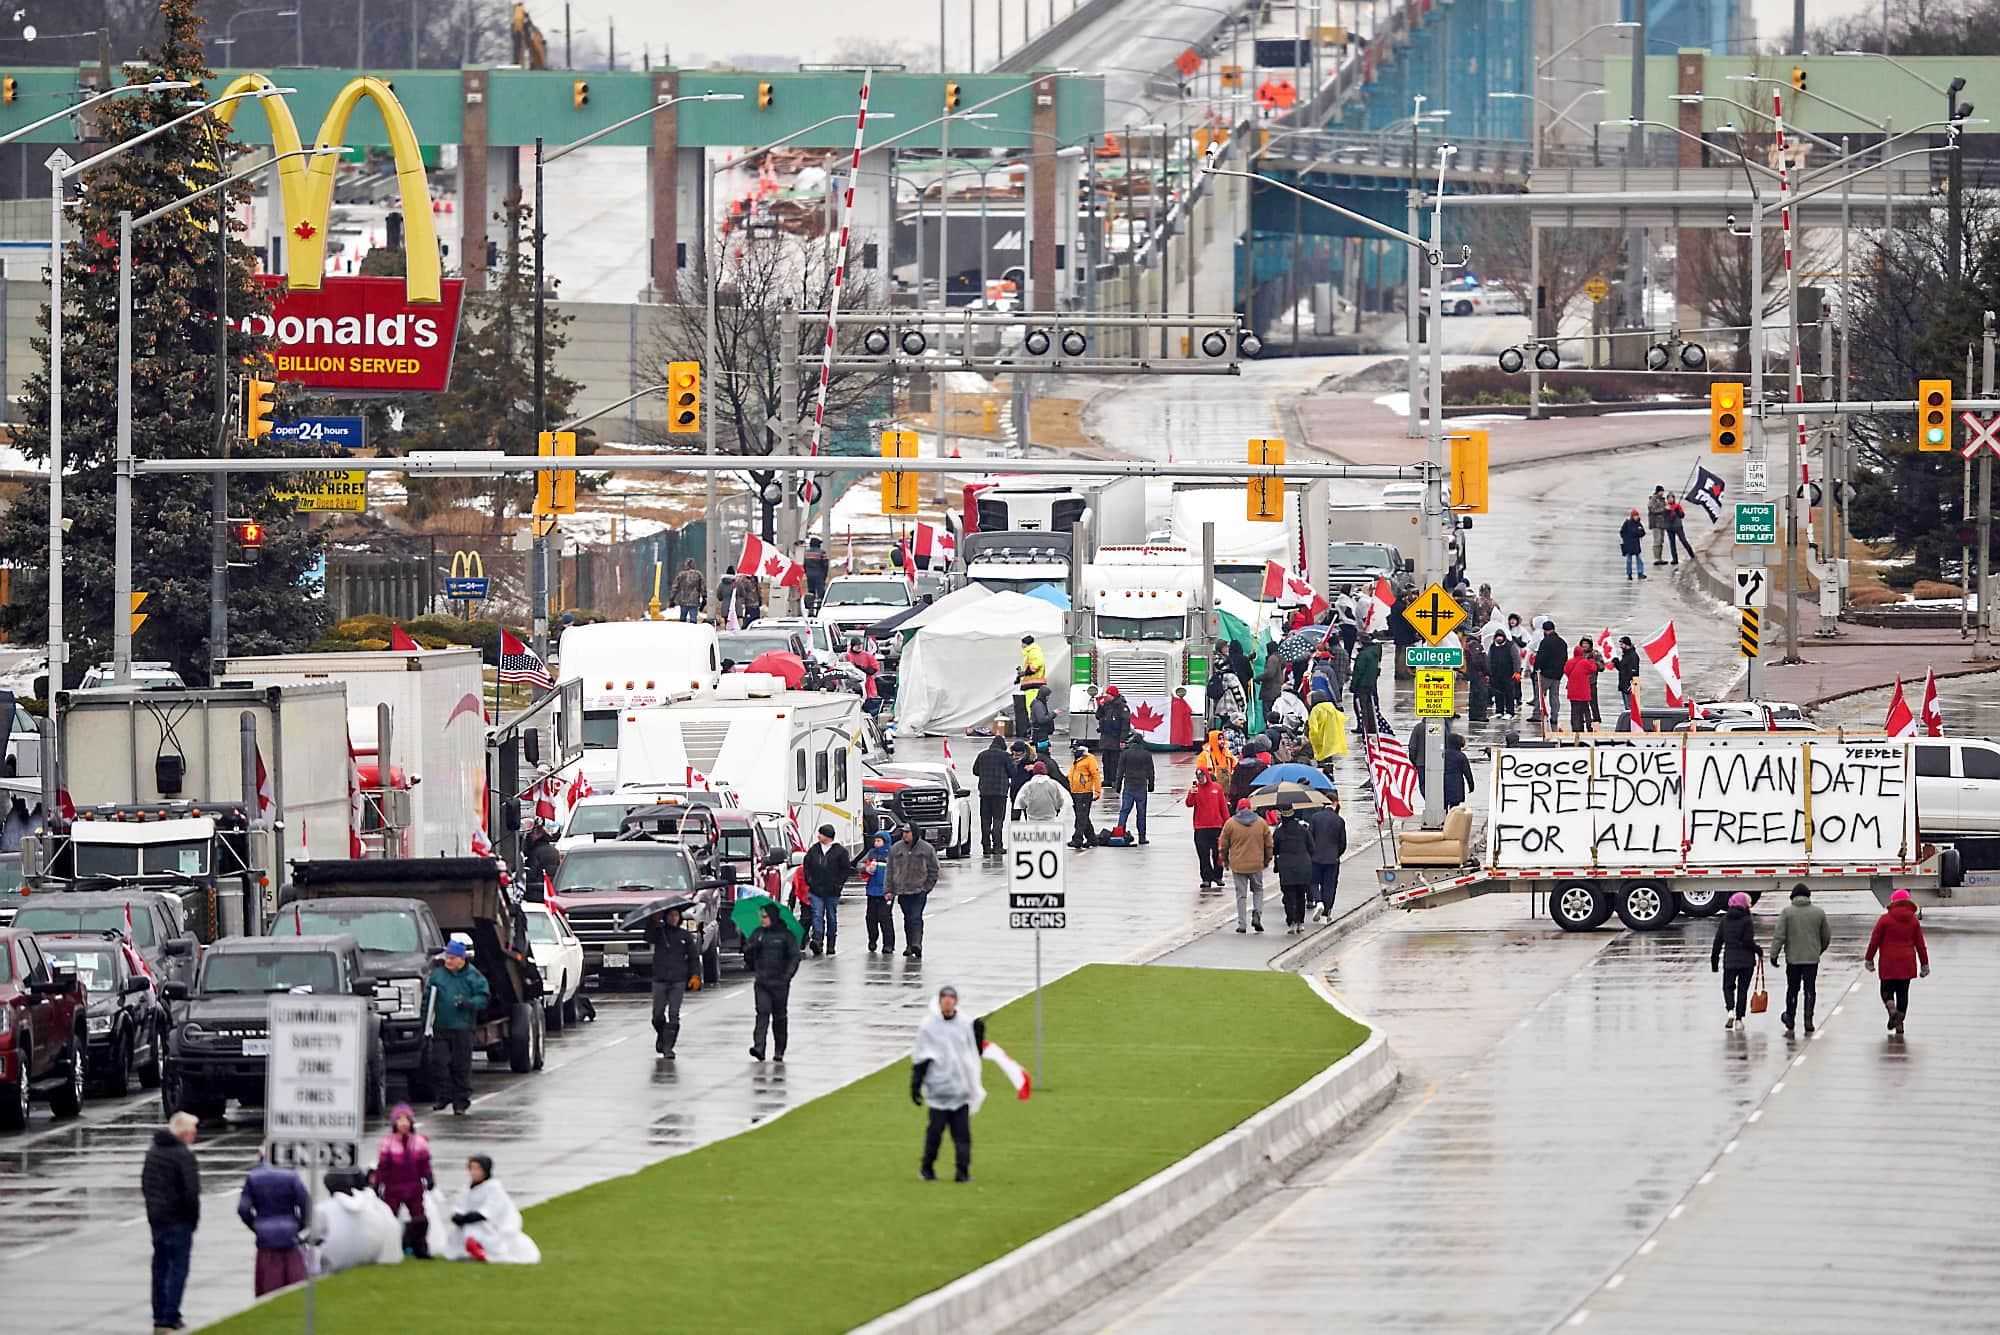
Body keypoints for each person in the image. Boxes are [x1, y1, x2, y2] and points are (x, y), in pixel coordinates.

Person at [910, 985, 982, 1182]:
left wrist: (978, 1035)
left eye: (951, 999)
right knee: (935, 1134)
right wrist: (916, 1083)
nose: (948, 1003)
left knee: (962, 1136)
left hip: (960, 1090)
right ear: (940, 1001)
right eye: (945, 999)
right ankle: (927, 1167)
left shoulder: (965, 1023)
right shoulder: (929, 1026)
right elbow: (921, 1056)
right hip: (939, 1090)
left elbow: (972, 1054)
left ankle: (962, 1172)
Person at [144, 1111, 201, 1334]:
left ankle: (159, 1315)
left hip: (157, 1219)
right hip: (179, 1220)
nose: (195, 1133)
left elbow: (146, 1185)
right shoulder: (183, 1155)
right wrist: (193, 1219)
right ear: (184, 1132)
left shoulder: (153, 1152)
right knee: (178, 1268)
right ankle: (170, 1316)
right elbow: (191, 1192)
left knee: (159, 1268)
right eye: (194, 1129)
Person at [427, 940, 490, 1115]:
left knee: (461, 1066)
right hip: (441, 1027)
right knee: (439, 1062)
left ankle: (460, 1102)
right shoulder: (438, 975)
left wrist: (468, 1003)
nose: (448, 961)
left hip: (463, 1028)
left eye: (452, 958)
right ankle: (443, 1095)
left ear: (461, 959)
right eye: (447, 957)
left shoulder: (473, 976)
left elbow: (483, 997)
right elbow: (428, 999)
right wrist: (425, 1023)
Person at [238, 1153, 311, 1296]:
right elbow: (306, 1206)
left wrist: (257, 1226)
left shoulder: (253, 1177)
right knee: (293, 1279)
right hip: (289, 1235)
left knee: (269, 1283)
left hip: (265, 1238)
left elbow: (243, 1209)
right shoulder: (291, 1176)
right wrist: (298, 1226)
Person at [444, 1155, 540, 1263]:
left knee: (477, 1230)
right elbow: (459, 1205)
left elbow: (489, 1211)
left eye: (477, 1169)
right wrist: (457, 1216)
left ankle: (482, 1250)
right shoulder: (467, 1188)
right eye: (471, 1168)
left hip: (492, 1226)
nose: (474, 1172)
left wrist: (469, 1217)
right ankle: (471, 1249)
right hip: (470, 1222)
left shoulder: (494, 1188)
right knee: (459, 1235)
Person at [371, 1104, 435, 1258]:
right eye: (400, 1119)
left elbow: (424, 1163)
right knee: (390, 1218)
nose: (403, 1123)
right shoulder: (387, 1143)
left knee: (419, 1218)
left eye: (406, 1119)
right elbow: (383, 1166)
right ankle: (388, 1248)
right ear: (394, 1123)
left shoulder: (419, 1142)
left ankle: (420, 1248)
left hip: (414, 1186)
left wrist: (429, 1177)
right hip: (393, 1187)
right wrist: (377, 1182)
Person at [1768, 883, 1832, 1037]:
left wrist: (1774, 954)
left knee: (1792, 989)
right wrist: (1818, 951)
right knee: (1810, 989)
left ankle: (1790, 1017)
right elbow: (1826, 936)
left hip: (1793, 959)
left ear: (1793, 897)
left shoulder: (1787, 913)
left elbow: (1779, 936)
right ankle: (1808, 1020)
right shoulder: (1819, 913)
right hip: (1811, 959)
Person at [1865, 887, 1930, 1037]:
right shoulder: (1913, 921)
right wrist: (1924, 964)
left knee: (1886, 991)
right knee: (1903, 993)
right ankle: (1900, 1024)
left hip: (1888, 962)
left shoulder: (1885, 920)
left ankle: (1892, 1010)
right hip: (1907, 963)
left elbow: (1874, 941)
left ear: (1893, 902)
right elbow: (1920, 944)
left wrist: (1869, 959)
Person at [312, 1168, 403, 1273]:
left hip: (347, 1261)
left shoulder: (324, 1208)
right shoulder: (374, 1204)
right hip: (377, 1255)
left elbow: (314, 1235)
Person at [745, 903, 801, 1060]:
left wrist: (788, 975)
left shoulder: (786, 936)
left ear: (773, 917)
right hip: (762, 981)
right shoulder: (758, 934)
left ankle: (779, 1050)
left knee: (779, 1016)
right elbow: (747, 955)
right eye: (761, 917)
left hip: (780, 982)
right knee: (762, 1013)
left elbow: (794, 956)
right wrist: (752, 949)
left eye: (765, 917)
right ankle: (759, 1047)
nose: (762, 920)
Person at [644, 904, 700, 1058]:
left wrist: (695, 975)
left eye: (676, 915)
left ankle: (668, 1047)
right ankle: (662, 1036)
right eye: (670, 916)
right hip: (660, 979)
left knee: (674, 1014)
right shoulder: (659, 932)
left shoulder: (685, 936)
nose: (673, 918)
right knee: (657, 1015)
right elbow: (647, 937)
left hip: (678, 980)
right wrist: (653, 922)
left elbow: (694, 958)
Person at [1710, 890, 1764, 1030]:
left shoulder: (1725, 920)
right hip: (1746, 962)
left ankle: (1730, 1011)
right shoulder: (1747, 921)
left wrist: (1714, 963)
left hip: (1730, 961)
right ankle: (1739, 1019)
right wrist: (1758, 950)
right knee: (1742, 990)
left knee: (1728, 987)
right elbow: (1747, 942)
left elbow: (1717, 942)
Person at [1219, 797, 1272, 933]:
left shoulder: (1230, 824)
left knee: (1241, 895)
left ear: (1238, 808)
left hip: (1238, 864)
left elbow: (1223, 845)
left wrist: (1225, 860)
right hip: (1256, 863)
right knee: (1258, 890)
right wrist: (1266, 860)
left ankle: (1242, 924)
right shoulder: (1261, 823)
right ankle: (1257, 913)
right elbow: (1268, 844)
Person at [889, 825, 941, 959]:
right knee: (908, 918)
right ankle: (909, 945)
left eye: (908, 832)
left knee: (915, 917)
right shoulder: (896, 848)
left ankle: (917, 944)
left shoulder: (927, 849)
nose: (905, 835)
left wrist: (927, 887)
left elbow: (934, 869)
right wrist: (889, 889)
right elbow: (890, 870)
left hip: (919, 890)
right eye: (904, 832)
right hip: (902, 891)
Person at [803, 823, 852, 958]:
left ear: (828, 836)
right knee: (817, 915)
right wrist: (810, 881)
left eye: (821, 834)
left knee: (831, 916)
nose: (818, 836)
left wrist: (838, 884)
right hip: (816, 891)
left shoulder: (840, 851)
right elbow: (806, 866)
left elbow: (845, 870)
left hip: (832, 891)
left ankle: (831, 944)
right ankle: (817, 941)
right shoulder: (814, 850)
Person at [1272, 806, 1315, 935]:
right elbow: (1312, 848)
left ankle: (1291, 921)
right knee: (1301, 895)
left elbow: (1275, 850)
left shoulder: (1279, 832)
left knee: (1289, 895)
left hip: (1286, 868)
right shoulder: (1303, 830)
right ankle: (1300, 922)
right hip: (1303, 866)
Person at [1186, 766, 1228, 889]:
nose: (1201, 779)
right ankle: (1206, 878)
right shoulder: (1195, 789)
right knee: (1203, 855)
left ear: (1206, 776)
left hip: (1216, 826)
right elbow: (1189, 804)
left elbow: (1223, 807)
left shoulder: (1217, 788)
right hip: (1200, 827)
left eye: (1202, 777)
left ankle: (1218, 876)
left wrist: (1228, 822)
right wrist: (1192, 794)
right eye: (1198, 778)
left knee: (1218, 854)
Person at [1307, 794, 1346, 922]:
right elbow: (1343, 843)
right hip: (1332, 858)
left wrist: (1312, 852)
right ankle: (1327, 911)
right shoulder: (1339, 821)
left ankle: (1318, 901)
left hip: (1316, 857)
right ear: (1335, 803)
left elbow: (1309, 837)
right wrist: (1337, 854)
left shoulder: (1315, 818)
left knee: (1313, 882)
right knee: (1329, 885)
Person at [972, 736, 1011, 856]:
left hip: (985, 792)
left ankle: (986, 846)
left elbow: (975, 771)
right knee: (998, 820)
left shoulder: (982, 755)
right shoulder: (1005, 756)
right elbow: (1013, 772)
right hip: (1000, 793)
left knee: (985, 820)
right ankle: (998, 846)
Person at [860, 832, 895, 955]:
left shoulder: (892, 855)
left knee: (885, 918)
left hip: (886, 892)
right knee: (871, 918)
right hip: (872, 891)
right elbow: (860, 864)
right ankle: (872, 940)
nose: (876, 843)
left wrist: (892, 889)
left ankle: (888, 944)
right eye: (875, 841)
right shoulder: (871, 853)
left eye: (879, 841)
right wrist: (866, 869)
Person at [1116, 741, 1155, 843]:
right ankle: (1142, 837)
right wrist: (1151, 785)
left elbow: (1120, 771)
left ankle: (1119, 834)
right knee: (1141, 813)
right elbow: (1151, 771)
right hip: (1141, 787)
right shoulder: (1146, 754)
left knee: (1124, 811)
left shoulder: (1125, 754)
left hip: (1128, 786)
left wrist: (1118, 786)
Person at [1067, 742, 1102, 850]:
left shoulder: (1089, 759)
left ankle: (1077, 839)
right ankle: (1092, 838)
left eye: (1075, 748)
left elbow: (1096, 775)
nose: (1073, 751)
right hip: (1074, 792)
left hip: (1085, 792)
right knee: (1083, 816)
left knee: (1081, 817)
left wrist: (1097, 791)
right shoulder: (1075, 760)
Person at [1534, 620, 1569, 729]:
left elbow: (1541, 657)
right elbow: (1565, 658)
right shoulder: (1562, 642)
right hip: (1557, 674)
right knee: (1554, 696)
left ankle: (1537, 714)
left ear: (1545, 630)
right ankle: (1555, 716)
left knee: (1540, 694)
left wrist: (1536, 668)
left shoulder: (1545, 642)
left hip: (1545, 674)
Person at [1307, 690, 1348, 780]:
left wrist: (1311, 739)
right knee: (1329, 759)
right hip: (1332, 739)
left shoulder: (1316, 710)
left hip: (1320, 739)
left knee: (1321, 760)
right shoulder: (1332, 708)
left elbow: (1313, 728)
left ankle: (1323, 777)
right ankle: (1330, 774)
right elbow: (1342, 719)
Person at [1095, 686, 1131, 788]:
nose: (1106, 696)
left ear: (1113, 695)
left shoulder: (1121, 707)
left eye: (1108, 694)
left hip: (1116, 736)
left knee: (1115, 760)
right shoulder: (1106, 705)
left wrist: (1123, 740)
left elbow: (1125, 725)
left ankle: (1115, 779)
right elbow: (1098, 716)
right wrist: (1100, 706)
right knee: (1106, 759)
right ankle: (1107, 779)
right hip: (1106, 736)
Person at [1562, 641, 1600, 733]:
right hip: (1583, 691)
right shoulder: (1585, 662)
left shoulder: (1569, 662)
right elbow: (1593, 669)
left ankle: (1576, 728)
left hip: (1572, 690)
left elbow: (1566, 671)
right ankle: (1588, 726)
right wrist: (1591, 661)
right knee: (1585, 710)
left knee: (1574, 711)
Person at [1351, 635, 1384, 736]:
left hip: (1362, 684)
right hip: (1371, 683)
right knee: (1370, 705)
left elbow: (1358, 671)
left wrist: (1353, 684)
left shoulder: (1363, 655)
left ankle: (1363, 726)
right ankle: (1372, 726)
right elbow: (1378, 668)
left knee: (1361, 706)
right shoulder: (1375, 653)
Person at [1487, 629, 1519, 720]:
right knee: (1498, 693)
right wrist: (1489, 672)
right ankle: (1499, 711)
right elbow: (1489, 659)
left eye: (1501, 637)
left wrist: (1516, 671)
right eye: (1497, 637)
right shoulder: (1493, 647)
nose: (1499, 639)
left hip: (1508, 674)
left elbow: (1516, 659)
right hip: (1496, 674)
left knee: (1509, 694)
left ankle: (1510, 712)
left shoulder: (1510, 646)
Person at [520, 817, 560, 890]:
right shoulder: (554, 851)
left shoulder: (535, 852)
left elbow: (532, 873)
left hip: (537, 888)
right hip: (552, 887)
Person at [846, 635, 882, 714]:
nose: (859, 647)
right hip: (851, 683)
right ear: (852, 646)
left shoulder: (867, 656)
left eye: (860, 645)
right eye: (856, 645)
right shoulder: (847, 655)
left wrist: (863, 669)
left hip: (867, 683)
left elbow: (875, 669)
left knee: (868, 705)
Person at [1443, 732, 1475, 810]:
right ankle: (1452, 821)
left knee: (1443, 805)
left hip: (1443, 784)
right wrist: (1471, 785)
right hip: (1456, 785)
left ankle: (1443, 819)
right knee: (1454, 808)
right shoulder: (1461, 756)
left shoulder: (1443, 754)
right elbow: (1467, 773)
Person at [1016, 634, 1048, 712]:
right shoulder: (1030, 652)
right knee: (1032, 706)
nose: (1021, 645)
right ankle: (1033, 721)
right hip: (1031, 685)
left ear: (1025, 643)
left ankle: (1034, 722)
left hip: (1034, 685)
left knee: (1033, 706)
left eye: (1022, 643)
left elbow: (1038, 663)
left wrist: (1026, 672)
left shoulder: (1033, 651)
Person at [669, 557, 705, 623]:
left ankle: (683, 631)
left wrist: (672, 599)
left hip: (683, 601)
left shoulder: (681, 575)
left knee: (682, 619)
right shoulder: (698, 574)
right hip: (694, 601)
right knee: (693, 620)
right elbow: (703, 588)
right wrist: (704, 599)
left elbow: (675, 587)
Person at [1615, 635, 1642, 720]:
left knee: (1629, 707)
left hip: (1629, 685)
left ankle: (1631, 723)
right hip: (1624, 684)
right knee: (1627, 706)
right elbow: (1622, 669)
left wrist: (1632, 683)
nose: (1620, 647)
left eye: (1622, 644)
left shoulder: (1633, 656)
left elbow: (1634, 671)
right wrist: (1616, 663)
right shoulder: (1626, 655)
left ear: (1627, 644)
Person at [1664, 497, 1696, 564]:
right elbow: (1664, 516)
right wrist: (1668, 511)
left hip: (1678, 526)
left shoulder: (1677, 506)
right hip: (1669, 527)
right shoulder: (1665, 507)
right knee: (1672, 543)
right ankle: (1674, 559)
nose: (1670, 499)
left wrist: (1677, 511)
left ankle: (1692, 554)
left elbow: (1682, 515)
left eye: (1671, 498)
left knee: (1683, 540)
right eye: (1669, 498)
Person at [1620, 508, 1648, 581]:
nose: (1636, 517)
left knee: (1639, 558)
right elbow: (1622, 532)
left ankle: (1640, 573)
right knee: (1629, 560)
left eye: (1637, 516)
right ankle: (1629, 574)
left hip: (1636, 544)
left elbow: (1643, 532)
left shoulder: (1639, 524)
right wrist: (1625, 539)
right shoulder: (1627, 523)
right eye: (1635, 516)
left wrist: (1638, 533)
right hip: (1628, 544)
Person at [802, 537, 830, 609]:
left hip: (809, 574)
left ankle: (810, 608)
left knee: (811, 591)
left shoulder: (806, 553)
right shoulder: (822, 552)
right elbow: (825, 565)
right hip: (819, 574)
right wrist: (825, 575)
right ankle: (820, 607)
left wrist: (806, 572)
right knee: (820, 591)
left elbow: (804, 564)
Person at [1646, 485, 1669, 563]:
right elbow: (1652, 510)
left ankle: (1660, 558)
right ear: (1657, 491)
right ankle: (1656, 558)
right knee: (1657, 540)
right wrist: (1663, 509)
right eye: (1661, 491)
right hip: (1655, 523)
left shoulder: (1663, 500)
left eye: (1663, 491)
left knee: (1661, 540)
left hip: (1662, 523)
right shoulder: (1653, 500)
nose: (1662, 493)